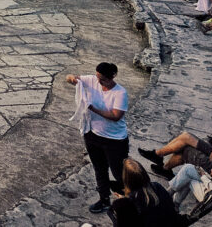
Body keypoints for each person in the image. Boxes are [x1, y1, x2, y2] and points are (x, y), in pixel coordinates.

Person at [65, 62, 130, 214]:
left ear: (112, 77)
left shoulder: (120, 93)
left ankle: (131, 198)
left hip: (114, 140)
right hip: (93, 135)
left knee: (119, 172)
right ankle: (104, 200)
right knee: (99, 169)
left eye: (103, 79)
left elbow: (115, 116)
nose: (99, 81)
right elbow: (70, 77)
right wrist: (73, 80)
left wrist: (92, 108)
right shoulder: (93, 80)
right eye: (97, 77)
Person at [108, 159, 179, 226]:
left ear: (126, 179)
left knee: (112, 212)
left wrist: (122, 201)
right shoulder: (157, 186)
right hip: (169, 223)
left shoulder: (128, 202)